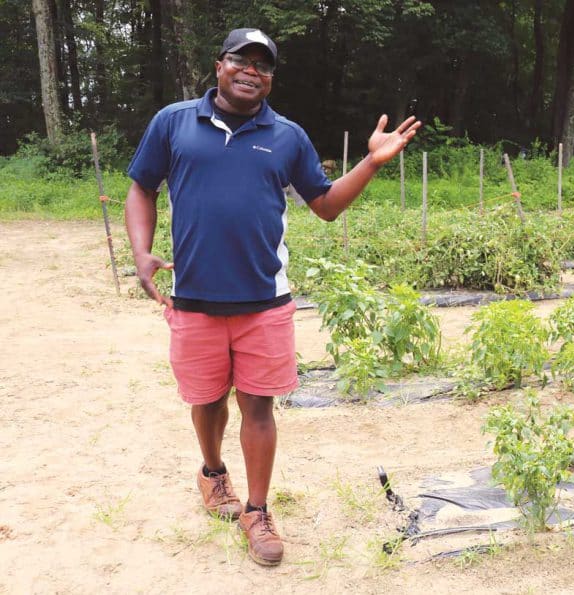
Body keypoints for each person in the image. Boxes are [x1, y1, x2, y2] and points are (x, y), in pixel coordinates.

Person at [124, 28, 419, 566]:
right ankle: (213, 474)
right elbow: (142, 186)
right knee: (206, 400)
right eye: (241, 59)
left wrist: (372, 162)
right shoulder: (173, 123)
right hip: (193, 299)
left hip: (265, 301)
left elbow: (325, 205)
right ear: (219, 65)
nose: (250, 70)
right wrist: (142, 252)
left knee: (259, 405)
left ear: (271, 78)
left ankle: (256, 511)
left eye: (262, 65)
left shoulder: (287, 136)